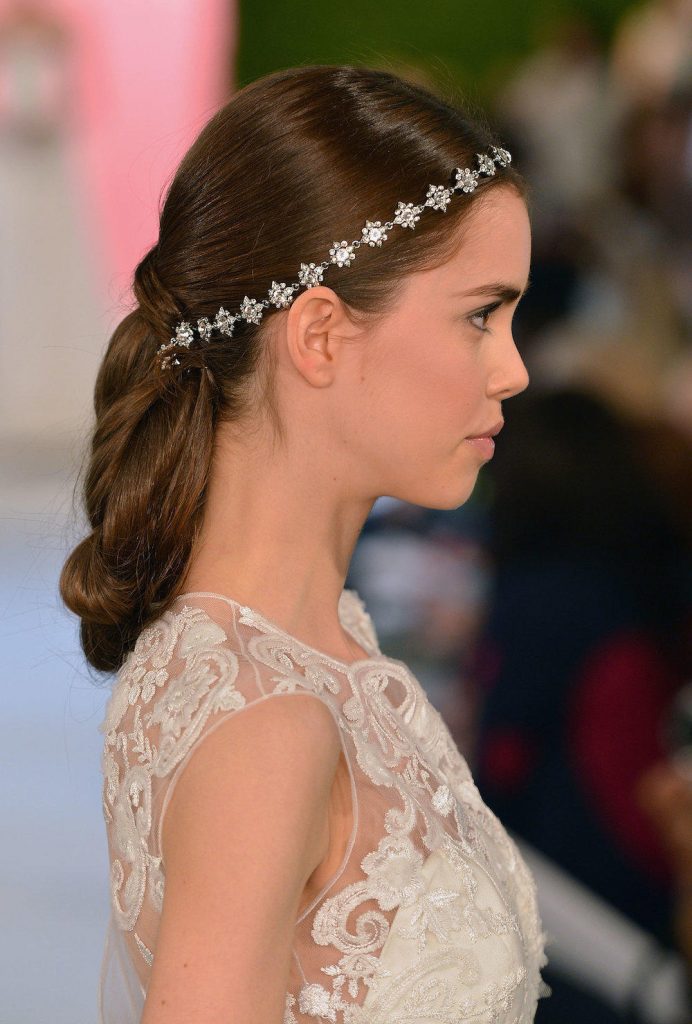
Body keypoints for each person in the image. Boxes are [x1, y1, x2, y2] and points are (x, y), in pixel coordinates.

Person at [59, 64, 549, 1024]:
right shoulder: (265, 720)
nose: (515, 370)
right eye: (480, 315)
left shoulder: (310, 649)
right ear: (319, 334)